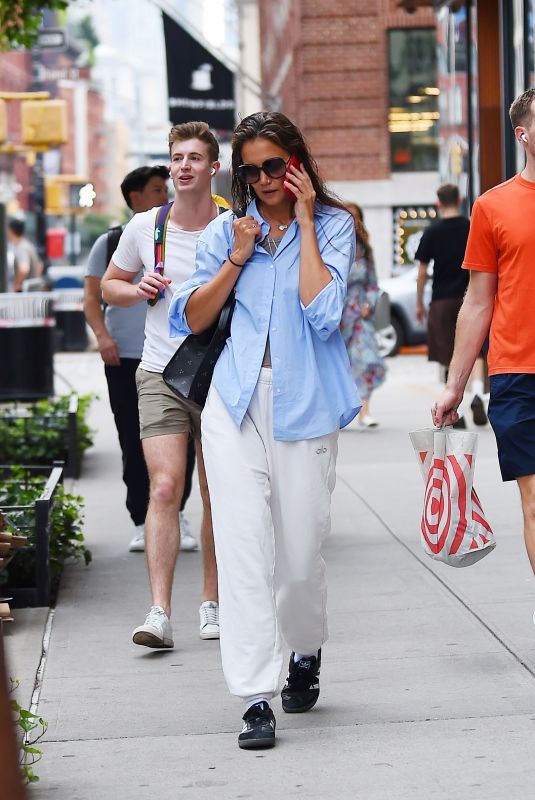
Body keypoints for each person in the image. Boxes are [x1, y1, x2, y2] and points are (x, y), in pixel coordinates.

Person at [169, 111, 360, 749]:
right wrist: (236, 258)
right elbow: (193, 319)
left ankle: (304, 647)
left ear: (297, 163)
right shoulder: (228, 229)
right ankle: (255, 695)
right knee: (243, 547)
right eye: (250, 169)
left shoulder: (334, 225)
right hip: (234, 400)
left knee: (301, 558)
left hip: (304, 402)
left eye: (273, 165)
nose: (262, 179)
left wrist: (303, 224)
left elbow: (326, 313)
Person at [101, 122, 223, 646]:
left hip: (221, 375)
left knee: (218, 495)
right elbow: (109, 284)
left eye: (195, 158)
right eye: (177, 157)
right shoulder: (146, 228)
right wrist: (134, 290)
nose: (183, 166)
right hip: (159, 373)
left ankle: (212, 603)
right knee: (167, 486)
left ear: (213, 168)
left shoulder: (234, 225)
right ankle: (159, 612)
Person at [433, 87, 535, 613]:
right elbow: (478, 302)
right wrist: (455, 384)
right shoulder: (492, 207)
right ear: (524, 134)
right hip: (518, 374)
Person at [83, 165, 198, 553]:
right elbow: (93, 297)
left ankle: (176, 511)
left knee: (184, 442)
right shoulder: (112, 240)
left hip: (177, 357)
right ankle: (139, 517)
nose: (164, 195)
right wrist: (102, 337)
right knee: (133, 439)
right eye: (155, 189)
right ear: (135, 198)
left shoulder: (180, 233)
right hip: (127, 356)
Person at [415, 183, 487, 427]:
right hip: (471, 295)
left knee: (449, 354)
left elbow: (422, 272)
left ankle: (457, 408)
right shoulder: (470, 227)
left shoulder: (432, 232)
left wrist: (419, 302)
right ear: (459, 199)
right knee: (476, 349)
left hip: (442, 300)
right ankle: (477, 392)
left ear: (438, 202)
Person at [340, 202, 386, 427]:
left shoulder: (365, 250)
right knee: (341, 365)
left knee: (366, 361)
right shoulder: (332, 245)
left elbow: (373, 283)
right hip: (337, 316)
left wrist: (369, 303)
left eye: (356, 217)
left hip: (359, 314)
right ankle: (343, 411)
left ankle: (365, 411)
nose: (352, 221)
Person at [7, 218, 43, 292]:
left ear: (11, 230)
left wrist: (16, 285)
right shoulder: (28, 245)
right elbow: (40, 265)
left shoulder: (21, 247)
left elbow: (23, 269)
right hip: (34, 292)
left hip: (26, 295)